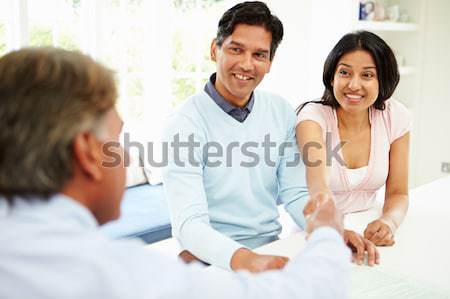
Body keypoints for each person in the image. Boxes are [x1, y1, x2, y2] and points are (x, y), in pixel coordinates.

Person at [0, 47, 350, 299]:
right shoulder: (112, 274)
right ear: (87, 154)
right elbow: (310, 290)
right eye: (117, 140)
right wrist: (327, 234)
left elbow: (292, 190)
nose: (122, 154)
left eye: (260, 54)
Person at [162, 1, 312, 272]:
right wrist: (245, 260)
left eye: (259, 55)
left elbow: (296, 192)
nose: (246, 64)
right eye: (236, 49)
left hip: (269, 249)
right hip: (209, 259)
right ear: (214, 50)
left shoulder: (281, 111)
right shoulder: (184, 124)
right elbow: (189, 225)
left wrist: (329, 230)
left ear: (269, 62)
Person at [296, 31, 410, 264]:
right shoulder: (312, 118)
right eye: (344, 73)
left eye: (367, 75)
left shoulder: (395, 116)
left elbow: (398, 192)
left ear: (383, 80)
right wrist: (334, 229)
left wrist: (389, 222)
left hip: (367, 225)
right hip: (314, 228)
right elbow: (319, 188)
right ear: (331, 77)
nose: (353, 85)